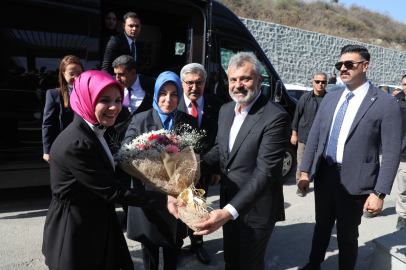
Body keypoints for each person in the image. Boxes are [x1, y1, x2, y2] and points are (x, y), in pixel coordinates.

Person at [42, 70, 181, 270]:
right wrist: (163, 199)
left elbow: (111, 171)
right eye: (105, 100)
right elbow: (112, 190)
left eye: (118, 100)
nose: (114, 107)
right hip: (77, 230)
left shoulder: (95, 131)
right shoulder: (77, 144)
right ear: (86, 99)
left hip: (97, 221)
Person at [297, 45, 402, 270]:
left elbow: (392, 152)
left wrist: (379, 193)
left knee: (347, 235)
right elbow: (315, 136)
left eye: (349, 64)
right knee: (321, 227)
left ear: (365, 65)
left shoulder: (385, 103)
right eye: (339, 65)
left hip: (357, 180)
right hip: (325, 174)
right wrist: (304, 171)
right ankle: (313, 264)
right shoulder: (330, 99)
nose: (342, 69)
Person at [194, 52, 291, 269]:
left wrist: (227, 213)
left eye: (245, 79)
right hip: (229, 200)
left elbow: (264, 172)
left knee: (249, 264)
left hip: (257, 209)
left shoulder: (275, 116)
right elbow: (221, 150)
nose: (238, 85)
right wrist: (191, 169)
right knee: (231, 259)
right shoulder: (226, 109)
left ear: (258, 80)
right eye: (233, 79)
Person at [122, 71, 198, 270]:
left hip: (178, 197)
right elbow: (125, 153)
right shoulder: (140, 120)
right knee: (150, 254)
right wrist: (151, 150)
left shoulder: (187, 122)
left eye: (174, 94)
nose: (168, 99)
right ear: (156, 94)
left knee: (174, 250)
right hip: (149, 198)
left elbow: (196, 157)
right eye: (163, 93)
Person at [178, 63, 224, 264]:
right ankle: (175, 244)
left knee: (198, 208)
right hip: (176, 172)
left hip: (205, 169)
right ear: (182, 83)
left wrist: (216, 169)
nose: (194, 87)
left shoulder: (218, 105)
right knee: (178, 208)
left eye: (199, 82)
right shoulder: (173, 104)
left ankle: (197, 244)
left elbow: (220, 140)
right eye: (189, 83)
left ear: (205, 83)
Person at [106, 55, 156, 229]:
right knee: (123, 185)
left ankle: (146, 219)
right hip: (119, 145)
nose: (117, 78)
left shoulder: (152, 85)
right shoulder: (114, 88)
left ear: (133, 73)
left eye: (121, 74)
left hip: (146, 148)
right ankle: (129, 218)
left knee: (143, 185)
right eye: (115, 74)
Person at [42, 55, 84, 164]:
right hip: (63, 146)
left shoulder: (88, 93)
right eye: (71, 74)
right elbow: (48, 124)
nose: (76, 77)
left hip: (84, 146)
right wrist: (47, 150)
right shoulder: (54, 94)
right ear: (63, 74)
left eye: (79, 73)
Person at [291, 72, 327, 197]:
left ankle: (318, 184)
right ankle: (300, 185)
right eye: (318, 81)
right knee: (301, 161)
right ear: (313, 82)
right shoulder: (305, 98)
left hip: (321, 139)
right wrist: (294, 134)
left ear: (326, 83)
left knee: (319, 163)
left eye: (323, 82)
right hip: (304, 136)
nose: (320, 84)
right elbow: (297, 116)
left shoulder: (329, 99)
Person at [395, 74, 406, 230]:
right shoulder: (398, 101)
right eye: (404, 84)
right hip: (403, 153)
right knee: (403, 188)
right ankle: (402, 216)